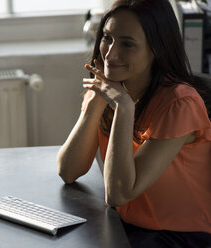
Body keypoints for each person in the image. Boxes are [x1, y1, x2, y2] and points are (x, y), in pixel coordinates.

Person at [57, 0, 211, 247]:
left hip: (180, 237)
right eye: (107, 37)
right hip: (127, 226)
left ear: (156, 49)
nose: (110, 53)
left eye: (127, 44)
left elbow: (118, 194)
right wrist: (97, 101)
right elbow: (68, 170)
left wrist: (124, 107)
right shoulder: (110, 89)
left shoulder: (180, 103)